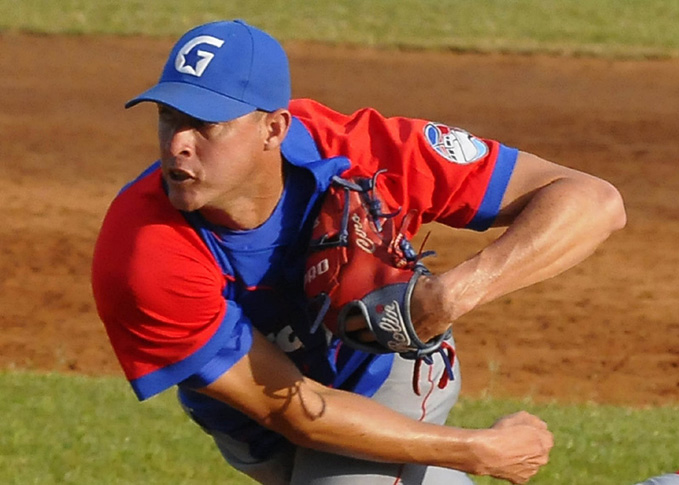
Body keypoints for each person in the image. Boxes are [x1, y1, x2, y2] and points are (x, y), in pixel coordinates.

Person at [91, 19, 625, 485]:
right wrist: (477, 449)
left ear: (272, 128)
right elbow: (292, 412)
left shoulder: (365, 154)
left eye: (205, 125)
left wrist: (450, 295)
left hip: (382, 368)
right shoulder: (142, 252)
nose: (177, 143)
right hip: (265, 423)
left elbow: (595, 201)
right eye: (168, 117)